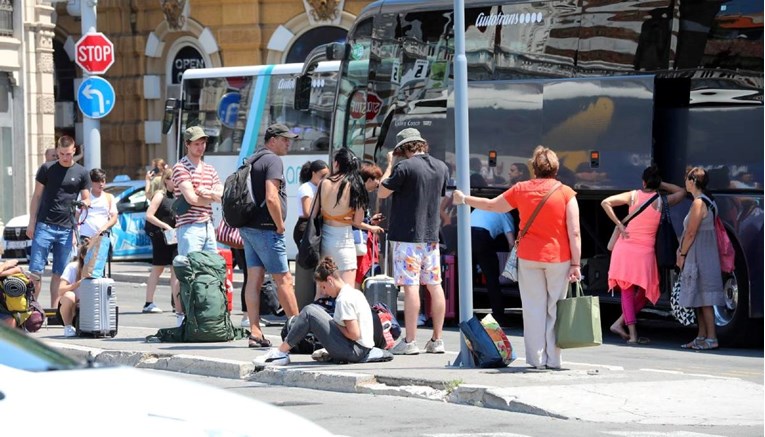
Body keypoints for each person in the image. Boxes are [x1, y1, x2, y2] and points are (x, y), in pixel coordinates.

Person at [453, 145, 581, 370]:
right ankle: (554, 359)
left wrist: (465, 199)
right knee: (555, 308)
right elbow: (575, 231)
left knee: (533, 309)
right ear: (556, 168)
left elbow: (493, 205)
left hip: (529, 257)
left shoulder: (521, 189)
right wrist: (576, 263)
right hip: (558, 258)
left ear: (534, 168)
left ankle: (536, 360)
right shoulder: (566, 193)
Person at [377, 127, 449, 355]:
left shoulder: (403, 167)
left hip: (407, 238)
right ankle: (437, 340)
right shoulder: (441, 167)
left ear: (403, 148)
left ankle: (409, 341)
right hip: (431, 236)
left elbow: (381, 192)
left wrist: (390, 165)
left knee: (410, 288)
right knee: (434, 285)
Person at [253, 256, 393, 365]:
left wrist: (335, 324)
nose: (324, 292)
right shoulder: (354, 292)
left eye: (323, 287)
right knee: (313, 311)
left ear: (330, 280)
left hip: (355, 351)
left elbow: (355, 334)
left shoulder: (344, 299)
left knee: (309, 312)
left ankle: (281, 352)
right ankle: (282, 351)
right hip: (362, 348)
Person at [601, 166, 685, 344]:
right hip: (645, 253)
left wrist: (619, 224)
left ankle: (623, 326)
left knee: (627, 292)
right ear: (656, 183)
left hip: (624, 250)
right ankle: (630, 332)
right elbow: (682, 192)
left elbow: (605, 202)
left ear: (643, 182)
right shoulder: (662, 201)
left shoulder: (632, 196)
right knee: (646, 292)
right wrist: (661, 184)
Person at [239, 123, 301, 348]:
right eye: (285, 139)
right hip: (267, 228)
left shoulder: (253, 159)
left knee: (254, 280)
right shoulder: (273, 160)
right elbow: (272, 196)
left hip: (248, 227)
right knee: (283, 279)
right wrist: (280, 224)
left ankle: (255, 332)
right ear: (272, 139)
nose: (288, 143)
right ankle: (299, 332)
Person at [27, 135, 91, 308]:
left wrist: (85, 203)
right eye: (61, 154)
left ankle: (54, 311)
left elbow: (86, 197)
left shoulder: (81, 172)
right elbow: (37, 196)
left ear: (74, 151)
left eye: (68, 154)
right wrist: (32, 222)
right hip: (44, 225)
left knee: (59, 273)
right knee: (35, 271)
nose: (64, 157)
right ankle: (32, 309)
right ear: (57, 151)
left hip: (66, 228)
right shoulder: (47, 169)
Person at [312, 148, 383, 286]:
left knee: (322, 289)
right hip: (344, 241)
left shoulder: (323, 183)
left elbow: (313, 212)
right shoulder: (356, 186)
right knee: (346, 290)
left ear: (337, 164)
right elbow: (357, 222)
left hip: (325, 240)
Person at [677, 167, 725, 351]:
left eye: (687, 179)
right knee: (698, 296)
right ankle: (701, 337)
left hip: (700, 254)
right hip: (702, 252)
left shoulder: (699, 203)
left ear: (693, 181)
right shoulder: (707, 200)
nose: (685, 182)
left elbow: (691, 232)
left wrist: (682, 255)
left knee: (705, 297)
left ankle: (711, 338)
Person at [171, 126, 223, 256]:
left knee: (210, 271)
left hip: (208, 225)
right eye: (196, 144)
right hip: (189, 227)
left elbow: (223, 196)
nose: (201, 147)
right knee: (190, 271)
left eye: (203, 143)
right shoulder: (181, 167)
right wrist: (213, 197)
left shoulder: (210, 169)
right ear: (187, 144)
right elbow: (192, 199)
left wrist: (208, 192)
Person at [143, 169, 181, 318]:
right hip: (159, 235)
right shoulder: (160, 195)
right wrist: (165, 226)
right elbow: (149, 215)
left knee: (175, 269)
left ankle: (176, 303)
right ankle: (148, 302)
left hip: (173, 236)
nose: (175, 182)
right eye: (172, 179)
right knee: (158, 268)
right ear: (166, 180)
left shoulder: (177, 196)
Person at [470, 209, 516, 325]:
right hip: (482, 236)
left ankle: (461, 312)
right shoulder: (505, 213)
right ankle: (498, 316)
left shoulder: (481, 208)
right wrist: (512, 262)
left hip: (465, 234)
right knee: (492, 278)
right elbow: (511, 242)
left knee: (467, 277)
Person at [355, 160, 384, 287]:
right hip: (359, 240)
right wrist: (371, 227)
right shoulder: (360, 195)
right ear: (369, 180)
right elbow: (356, 222)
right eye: (377, 179)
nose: (378, 184)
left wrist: (370, 220)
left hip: (362, 239)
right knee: (358, 275)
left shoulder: (359, 192)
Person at [293, 159, 329, 246]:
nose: (325, 178)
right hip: (306, 226)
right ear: (313, 173)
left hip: (314, 225)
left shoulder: (319, 187)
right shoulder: (306, 188)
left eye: (327, 176)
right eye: (322, 175)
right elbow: (307, 212)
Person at [78, 169, 118, 244]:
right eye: (97, 181)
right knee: (85, 256)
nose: (101, 184)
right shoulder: (84, 196)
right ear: (91, 182)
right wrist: (74, 235)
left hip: (103, 236)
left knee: (103, 256)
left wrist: (104, 227)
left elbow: (114, 217)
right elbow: (76, 215)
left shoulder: (109, 197)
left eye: (103, 181)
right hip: (86, 237)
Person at [57, 244, 88, 337]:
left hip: (88, 310)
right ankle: (68, 326)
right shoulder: (72, 267)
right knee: (69, 295)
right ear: (83, 256)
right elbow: (61, 290)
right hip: (71, 310)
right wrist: (77, 284)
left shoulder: (98, 269)